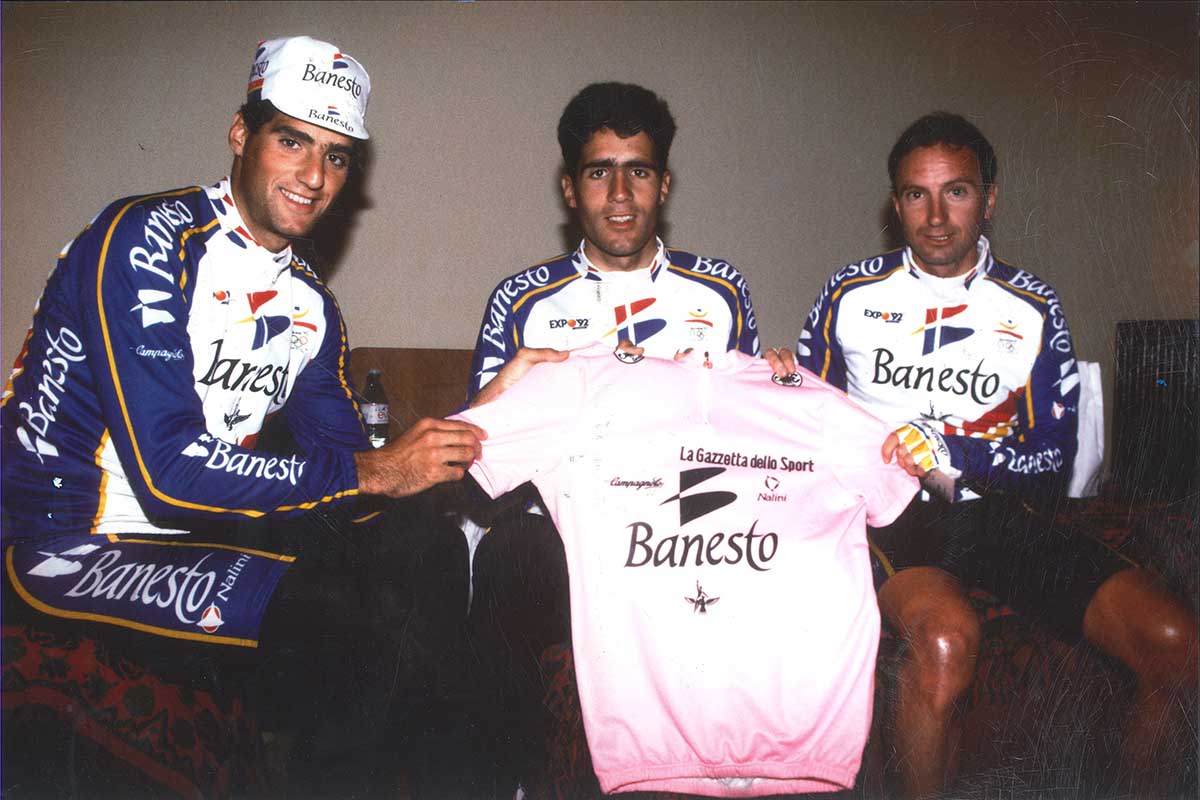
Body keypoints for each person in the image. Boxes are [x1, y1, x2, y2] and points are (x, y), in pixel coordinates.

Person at [0, 35, 548, 796]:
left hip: (184, 547)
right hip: (60, 545)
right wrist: (380, 471)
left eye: (336, 155)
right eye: (291, 140)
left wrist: (487, 413)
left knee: (424, 550)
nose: (313, 176)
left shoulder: (311, 305)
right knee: (358, 633)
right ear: (240, 135)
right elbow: (168, 475)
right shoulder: (143, 239)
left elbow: (367, 485)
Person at [788, 111, 1197, 797]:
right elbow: (805, 415)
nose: (938, 215)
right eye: (917, 194)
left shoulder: (1032, 305)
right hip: (891, 517)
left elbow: (1052, 455)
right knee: (944, 643)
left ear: (990, 198)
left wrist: (954, 450)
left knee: (1177, 646)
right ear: (896, 205)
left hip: (998, 512)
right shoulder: (848, 294)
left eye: (958, 191)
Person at [462, 81, 762, 795]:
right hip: (558, 535)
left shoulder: (718, 292)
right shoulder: (522, 300)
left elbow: (748, 441)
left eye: (640, 171)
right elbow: (474, 450)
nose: (621, 195)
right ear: (570, 188)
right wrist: (499, 396)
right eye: (600, 172)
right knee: (506, 557)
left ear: (664, 183)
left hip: (684, 535)